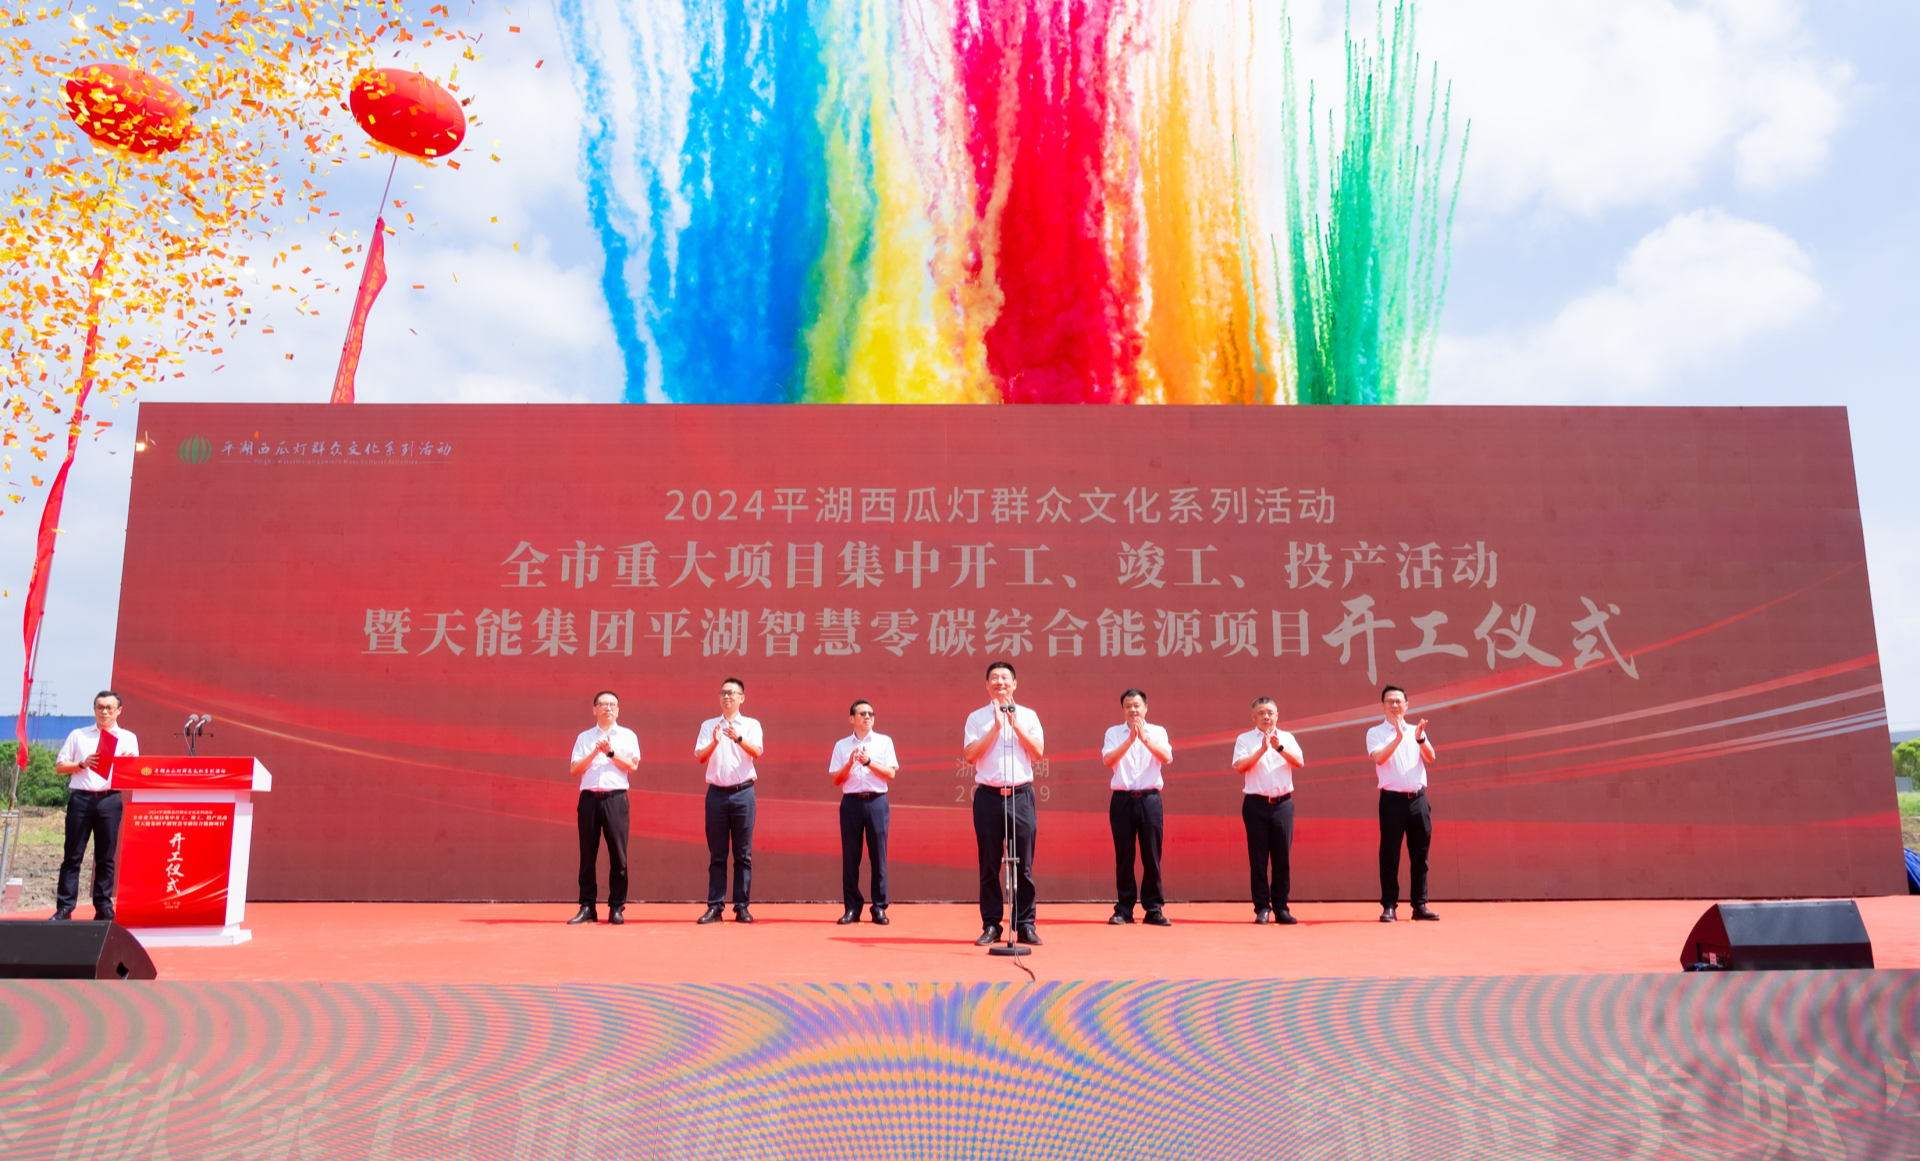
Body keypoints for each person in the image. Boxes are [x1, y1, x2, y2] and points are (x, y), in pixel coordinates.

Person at [962, 661, 1045, 947]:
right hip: (988, 798)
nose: (1000, 682)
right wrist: (996, 728)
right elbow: (970, 755)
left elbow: (1038, 751)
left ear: (1015, 683)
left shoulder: (1029, 715)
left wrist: (1014, 724)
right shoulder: (976, 718)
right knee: (989, 865)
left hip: (1020, 797)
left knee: (1024, 865)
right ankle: (991, 925)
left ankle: (1025, 925)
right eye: (994, 678)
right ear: (987, 685)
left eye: (1005, 677)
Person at [50, 690, 138, 922]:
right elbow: (60, 766)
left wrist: (125, 764)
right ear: (94, 709)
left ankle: (103, 906)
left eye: (109, 708)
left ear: (119, 710)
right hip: (81, 799)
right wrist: (82, 763)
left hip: (110, 800)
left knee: (106, 857)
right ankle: (65, 907)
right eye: (100, 707)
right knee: (72, 856)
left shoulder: (128, 738)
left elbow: (134, 772)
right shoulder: (79, 735)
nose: (104, 712)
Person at [567, 691, 640, 925]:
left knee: (618, 856)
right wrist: (594, 752)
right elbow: (575, 769)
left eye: (612, 705)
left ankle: (616, 907)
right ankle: (587, 907)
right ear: (594, 709)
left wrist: (610, 752)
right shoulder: (584, 737)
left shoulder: (628, 736)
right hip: (589, 800)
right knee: (587, 856)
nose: (608, 708)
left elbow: (632, 766)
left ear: (618, 710)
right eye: (603, 704)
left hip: (615, 799)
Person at [1102, 688, 1173, 926]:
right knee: (1125, 857)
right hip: (1122, 800)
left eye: (1137, 705)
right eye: (1128, 706)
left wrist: (1144, 739)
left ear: (1145, 708)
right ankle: (1124, 909)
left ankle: (1153, 909)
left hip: (1150, 799)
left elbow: (1166, 757)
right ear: (1122, 710)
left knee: (1152, 856)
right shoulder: (1113, 733)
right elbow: (1108, 760)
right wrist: (1130, 740)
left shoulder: (1158, 732)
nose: (1133, 710)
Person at [695, 677, 763, 924]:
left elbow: (757, 752)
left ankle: (741, 907)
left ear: (741, 698)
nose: (727, 697)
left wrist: (738, 738)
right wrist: (714, 742)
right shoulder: (709, 725)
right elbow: (701, 757)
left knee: (743, 854)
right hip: (716, 794)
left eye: (732, 693)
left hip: (743, 793)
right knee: (717, 855)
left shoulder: (751, 725)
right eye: (723, 692)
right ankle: (715, 907)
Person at [1368, 685, 1439, 922]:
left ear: (1407, 705)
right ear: (1382, 705)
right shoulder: (1375, 732)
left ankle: (1419, 904)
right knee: (1390, 855)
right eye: (1390, 701)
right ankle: (1389, 906)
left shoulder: (1417, 731)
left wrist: (1419, 738)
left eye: (1399, 701)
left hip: (1418, 800)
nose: (1395, 705)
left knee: (1420, 855)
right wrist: (1398, 738)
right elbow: (1380, 758)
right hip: (1392, 801)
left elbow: (1431, 757)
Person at [1231, 696, 1304, 925]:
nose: (1266, 717)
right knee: (1258, 860)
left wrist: (1278, 747)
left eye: (1270, 713)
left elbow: (1299, 762)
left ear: (1277, 715)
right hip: (1256, 805)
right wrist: (1262, 750)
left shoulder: (1287, 738)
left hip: (1283, 805)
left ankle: (1281, 908)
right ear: (1253, 717)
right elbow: (1240, 766)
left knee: (1282, 859)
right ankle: (1262, 908)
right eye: (1261, 713)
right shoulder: (1244, 739)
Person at [830, 699, 899, 925]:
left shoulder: (884, 742)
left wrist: (868, 762)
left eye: (871, 713)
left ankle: (879, 908)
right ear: (851, 718)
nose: (867, 717)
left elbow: (890, 774)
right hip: (851, 803)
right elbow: (836, 779)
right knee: (851, 858)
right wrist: (850, 763)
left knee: (878, 856)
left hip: (876, 802)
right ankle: (852, 908)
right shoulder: (841, 745)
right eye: (862, 713)